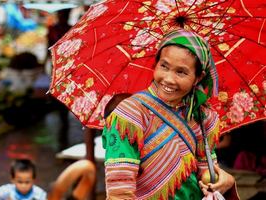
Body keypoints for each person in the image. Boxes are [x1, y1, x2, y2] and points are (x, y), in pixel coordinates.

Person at [102, 29, 238, 199]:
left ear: (198, 77)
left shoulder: (202, 117)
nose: (168, 79)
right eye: (164, 66)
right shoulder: (129, 115)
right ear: (156, 64)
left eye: (181, 72)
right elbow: (119, 191)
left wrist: (224, 179)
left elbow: (206, 170)